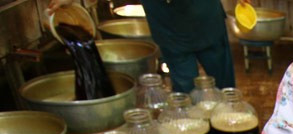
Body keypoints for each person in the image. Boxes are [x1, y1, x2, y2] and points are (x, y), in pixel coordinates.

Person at [48, 0, 243, 92]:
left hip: (205, 21)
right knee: (185, 93)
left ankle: (229, 133)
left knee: (225, 89)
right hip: (171, 29)